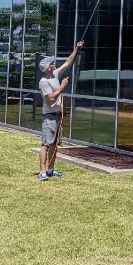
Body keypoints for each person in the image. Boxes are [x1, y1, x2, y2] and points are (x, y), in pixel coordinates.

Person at [37, 41, 83, 181]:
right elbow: (50, 98)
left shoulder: (55, 74)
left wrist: (76, 48)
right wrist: (62, 87)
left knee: (55, 145)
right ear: (47, 68)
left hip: (58, 115)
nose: (54, 64)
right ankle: (42, 172)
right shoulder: (44, 82)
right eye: (51, 64)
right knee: (46, 144)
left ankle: (51, 170)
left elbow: (68, 63)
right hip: (49, 116)